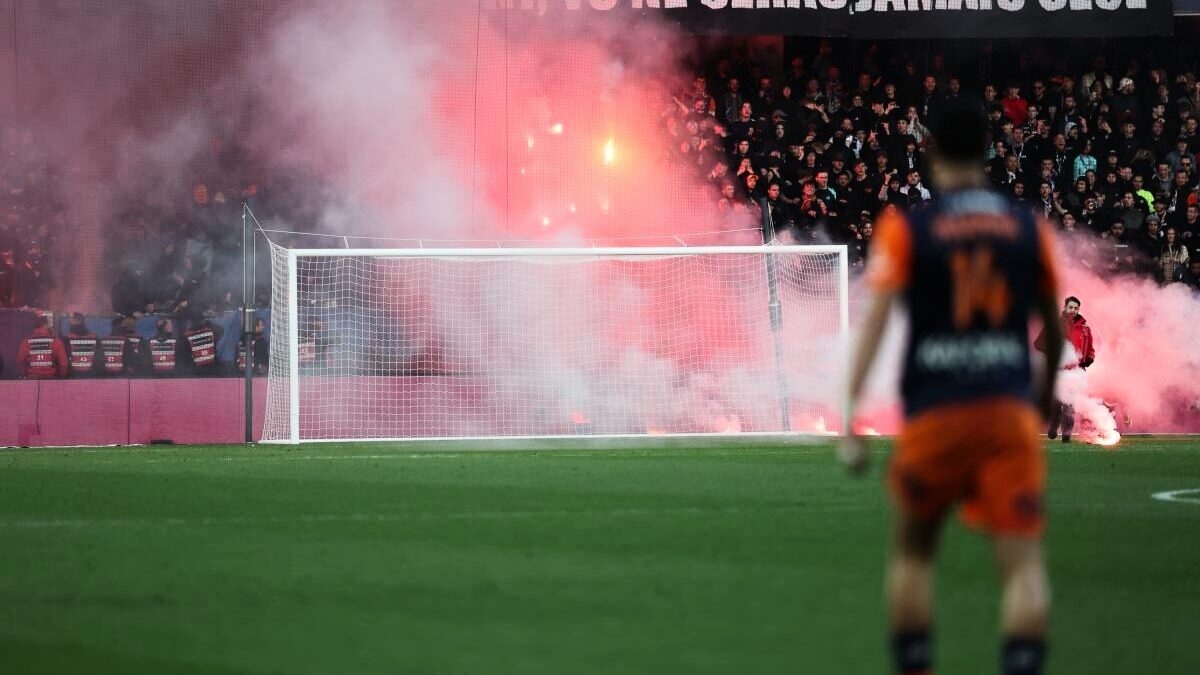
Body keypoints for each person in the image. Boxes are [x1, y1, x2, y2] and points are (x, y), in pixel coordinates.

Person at [840, 101, 1064, 675]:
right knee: (1022, 569)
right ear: (986, 152)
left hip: (935, 412)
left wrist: (849, 411)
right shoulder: (1024, 226)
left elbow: (875, 321)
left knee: (913, 559)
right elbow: (1055, 327)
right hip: (1005, 410)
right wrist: (1039, 401)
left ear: (930, 151)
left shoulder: (908, 228)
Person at [1037, 296, 1096, 444]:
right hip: (1058, 371)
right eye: (1071, 307)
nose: (1073, 311)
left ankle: (1066, 435)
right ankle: (1053, 426)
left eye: (1076, 308)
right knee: (1057, 403)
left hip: (1075, 373)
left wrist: (1088, 359)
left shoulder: (1085, 329)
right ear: (1065, 307)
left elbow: (1090, 349)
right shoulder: (1054, 324)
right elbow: (1038, 343)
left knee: (1070, 405)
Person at [17, 314, 68, 379]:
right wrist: (61, 377)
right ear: (45, 325)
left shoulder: (25, 342)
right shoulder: (56, 342)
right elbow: (63, 364)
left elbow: (21, 362)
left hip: (32, 379)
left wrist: (25, 375)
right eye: (49, 324)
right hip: (51, 379)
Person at [62, 312, 98, 377]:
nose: (68, 322)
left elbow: (63, 361)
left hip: (72, 375)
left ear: (73, 321)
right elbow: (99, 358)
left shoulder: (67, 339)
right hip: (91, 375)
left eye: (70, 319)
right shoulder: (94, 338)